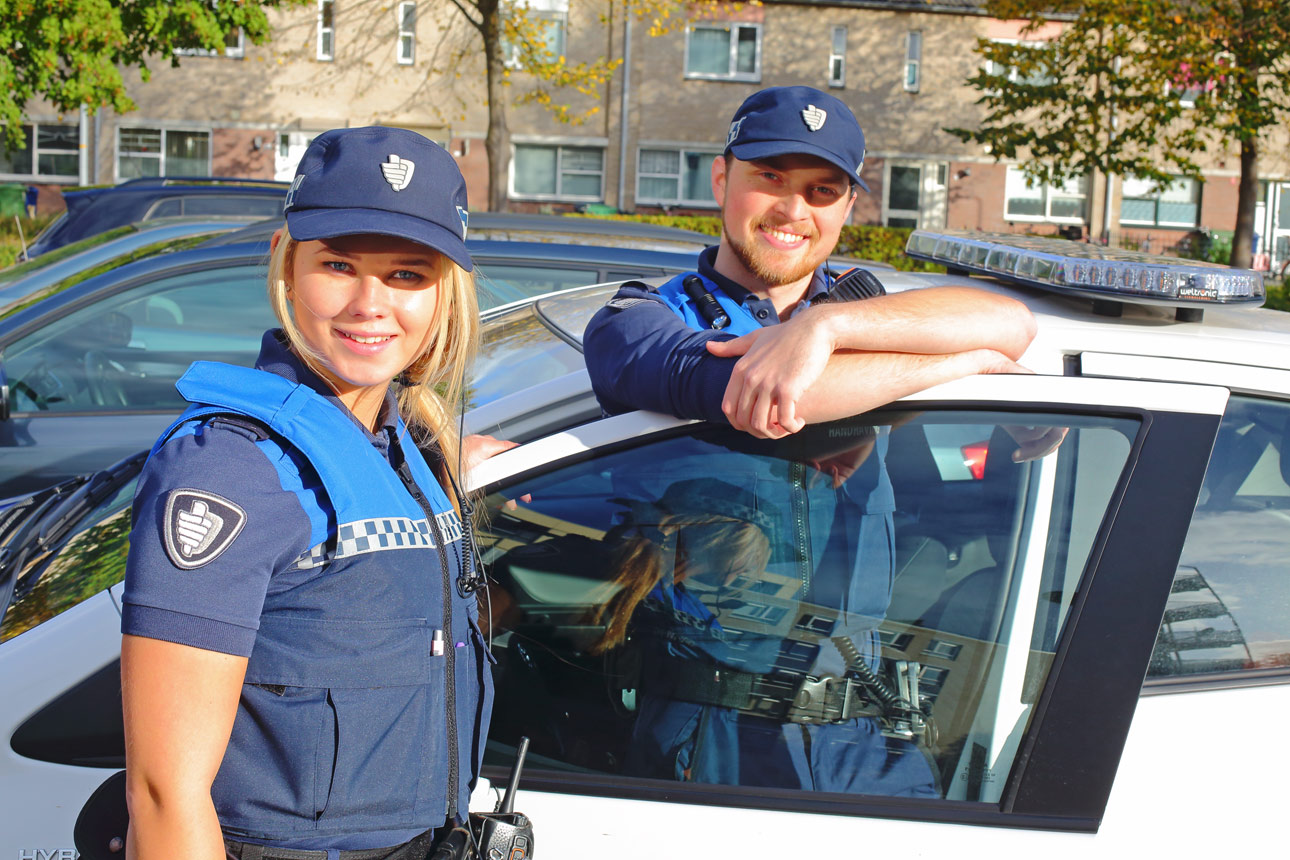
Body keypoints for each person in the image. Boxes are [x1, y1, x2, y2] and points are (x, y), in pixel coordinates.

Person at [580, 86, 1047, 796]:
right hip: (713, 736)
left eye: (821, 191)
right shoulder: (640, 321)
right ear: (720, 179)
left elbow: (1010, 322)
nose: (793, 211)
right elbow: (765, 398)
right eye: (769, 179)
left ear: (848, 208)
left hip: (866, 735)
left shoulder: (858, 312)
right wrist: (969, 365)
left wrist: (823, 329)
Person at [120, 127, 493, 860]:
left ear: (444, 292)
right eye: (338, 265)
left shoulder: (405, 445)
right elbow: (164, 795)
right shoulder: (229, 467)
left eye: (408, 275)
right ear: (287, 267)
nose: (369, 303)